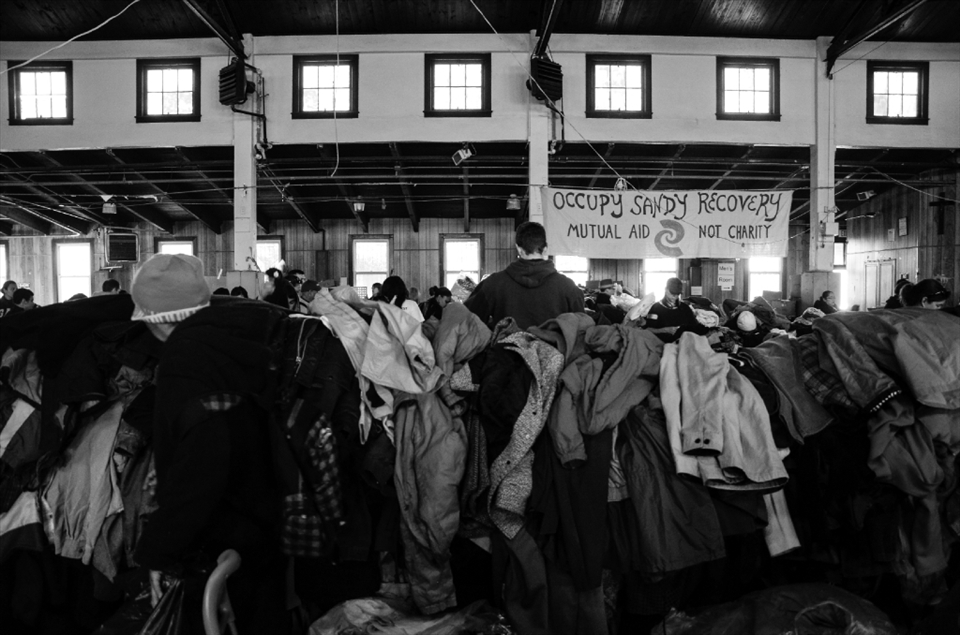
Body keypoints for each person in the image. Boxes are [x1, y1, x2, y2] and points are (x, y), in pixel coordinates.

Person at [130, 254, 286, 634]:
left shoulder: (187, 364)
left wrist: (157, 550)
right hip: (261, 528)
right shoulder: (234, 341)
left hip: (217, 544)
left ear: (157, 318)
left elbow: (201, 468)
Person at [464, 221, 584, 329]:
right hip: (556, 352)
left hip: (505, 352)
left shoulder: (493, 284)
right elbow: (582, 330)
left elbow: (469, 323)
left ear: (518, 249)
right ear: (545, 248)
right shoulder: (569, 288)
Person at [645, 277, 703, 341]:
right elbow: (648, 329)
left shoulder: (685, 308)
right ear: (666, 289)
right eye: (672, 294)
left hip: (685, 342)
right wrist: (665, 330)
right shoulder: (656, 308)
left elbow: (695, 326)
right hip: (664, 344)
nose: (675, 297)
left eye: (677, 294)